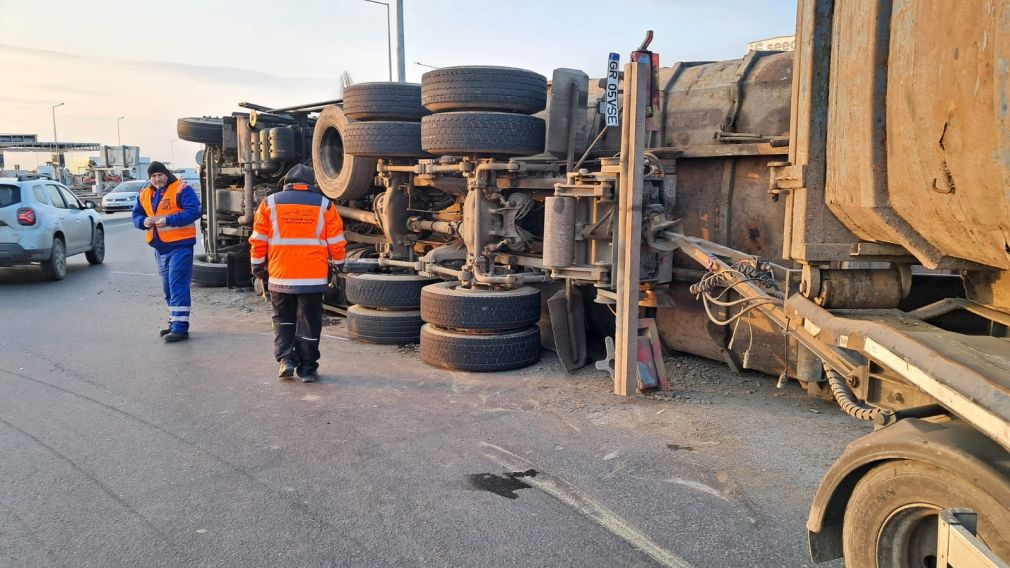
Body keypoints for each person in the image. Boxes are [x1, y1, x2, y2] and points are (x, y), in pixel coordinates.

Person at [250, 165, 345, 382]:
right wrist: (339, 264)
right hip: (312, 278)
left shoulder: (270, 203)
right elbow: (337, 241)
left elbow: (258, 239)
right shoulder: (324, 205)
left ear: (286, 181)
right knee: (309, 321)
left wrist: (257, 267)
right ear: (311, 184)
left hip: (280, 275)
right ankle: (308, 368)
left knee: (283, 318)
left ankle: (286, 359)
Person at [132, 161, 201, 342]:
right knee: (168, 289)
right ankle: (174, 322)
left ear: (166, 174)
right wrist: (143, 222)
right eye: (153, 176)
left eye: (159, 175)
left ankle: (180, 329)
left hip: (180, 246)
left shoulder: (181, 189)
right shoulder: (145, 194)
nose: (156, 179)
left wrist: (168, 220)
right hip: (160, 248)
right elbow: (136, 215)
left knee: (177, 286)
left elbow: (194, 211)